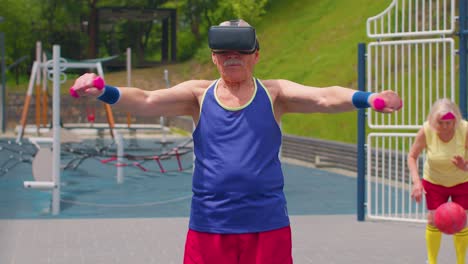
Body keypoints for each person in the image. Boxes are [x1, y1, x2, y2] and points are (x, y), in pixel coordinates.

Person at [71, 19, 402, 264]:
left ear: (255, 55)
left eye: (240, 52)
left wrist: (369, 98)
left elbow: (325, 97)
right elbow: (145, 99)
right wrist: (104, 91)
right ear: (214, 57)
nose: (232, 58)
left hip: (266, 225)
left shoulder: (275, 94)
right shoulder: (197, 95)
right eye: (224, 52)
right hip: (210, 225)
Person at [407, 98, 468, 264]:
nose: (445, 127)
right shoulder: (426, 131)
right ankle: (432, 261)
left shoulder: (465, 129)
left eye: (449, 123)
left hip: (462, 182)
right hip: (434, 182)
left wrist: (465, 166)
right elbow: (412, 156)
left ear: (455, 120)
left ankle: (461, 261)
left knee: (461, 221)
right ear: (433, 120)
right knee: (433, 220)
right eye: (440, 123)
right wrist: (417, 182)